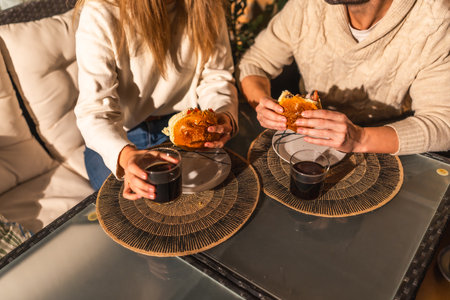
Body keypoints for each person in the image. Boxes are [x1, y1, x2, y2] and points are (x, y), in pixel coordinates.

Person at [74, 0, 238, 200]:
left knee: (218, 200)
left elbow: (216, 78)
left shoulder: (207, 5)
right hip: (120, 136)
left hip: (188, 130)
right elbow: (95, 111)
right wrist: (125, 156)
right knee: (129, 215)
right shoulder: (101, 10)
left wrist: (223, 114)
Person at [239, 0, 449, 155]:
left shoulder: (436, 20)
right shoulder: (305, 5)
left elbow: (442, 124)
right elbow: (255, 63)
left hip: (384, 139)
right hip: (307, 139)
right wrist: (263, 104)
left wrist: (359, 138)